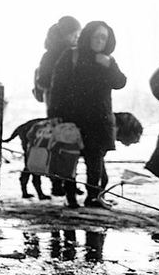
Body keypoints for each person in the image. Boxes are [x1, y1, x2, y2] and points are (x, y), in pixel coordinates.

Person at [47, 20, 126, 209]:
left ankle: (93, 196)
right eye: (96, 36)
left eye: (104, 37)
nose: (100, 40)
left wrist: (109, 65)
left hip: (99, 119)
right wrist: (54, 115)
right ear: (88, 36)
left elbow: (120, 82)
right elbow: (57, 87)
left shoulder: (107, 60)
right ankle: (71, 196)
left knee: (95, 158)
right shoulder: (71, 55)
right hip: (73, 118)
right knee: (69, 157)